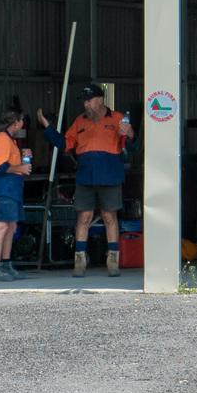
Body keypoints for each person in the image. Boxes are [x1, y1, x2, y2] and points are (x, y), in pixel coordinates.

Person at [62, 84, 135, 276]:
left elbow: (131, 146)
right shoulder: (80, 120)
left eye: (90, 100)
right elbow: (65, 143)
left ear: (100, 100)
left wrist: (129, 133)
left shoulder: (118, 118)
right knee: (83, 217)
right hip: (86, 176)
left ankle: (113, 260)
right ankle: (79, 260)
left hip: (110, 175)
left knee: (110, 217)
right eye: (85, 101)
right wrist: (47, 128)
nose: (86, 104)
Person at [0, 107, 33, 278]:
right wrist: (21, 167)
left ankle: (6, 263)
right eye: (21, 120)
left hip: (13, 188)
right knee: (2, 225)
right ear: (16, 123)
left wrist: (21, 156)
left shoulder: (9, 140)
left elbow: (7, 161)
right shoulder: (3, 139)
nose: (22, 123)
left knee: (11, 226)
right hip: (5, 189)